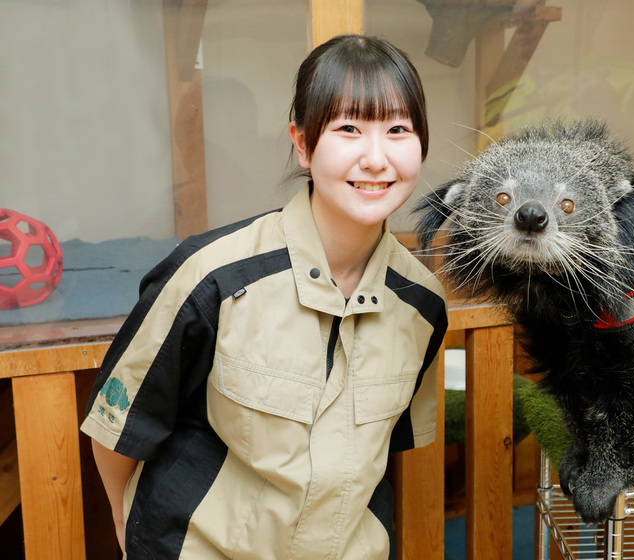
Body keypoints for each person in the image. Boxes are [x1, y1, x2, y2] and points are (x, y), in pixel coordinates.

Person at [82, 34, 448, 560]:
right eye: (348, 128)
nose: (376, 158)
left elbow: (381, 454)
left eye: (398, 130)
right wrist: (124, 525)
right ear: (302, 143)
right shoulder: (212, 276)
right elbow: (121, 431)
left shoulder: (422, 302)